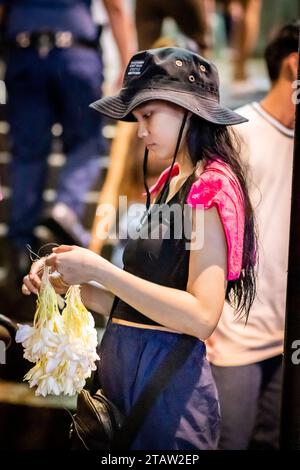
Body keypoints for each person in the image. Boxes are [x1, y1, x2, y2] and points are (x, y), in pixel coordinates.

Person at [22, 47, 256, 450]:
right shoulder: (169, 181)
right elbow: (131, 307)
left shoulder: (212, 186)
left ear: (188, 110)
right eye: (136, 119)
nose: (140, 130)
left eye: (148, 115)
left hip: (167, 397)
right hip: (122, 387)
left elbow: (202, 316)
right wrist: (70, 283)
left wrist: (101, 269)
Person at [207, 22, 298, 450]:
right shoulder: (239, 134)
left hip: (286, 340)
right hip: (234, 339)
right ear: (294, 65)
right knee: (228, 442)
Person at [0, 0, 135, 275]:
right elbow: (116, 6)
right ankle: (67, 206)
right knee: (86, 141)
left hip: (24, 53)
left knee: (27, 153)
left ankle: (19, 246)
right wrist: (128, 62)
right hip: (76, 53)